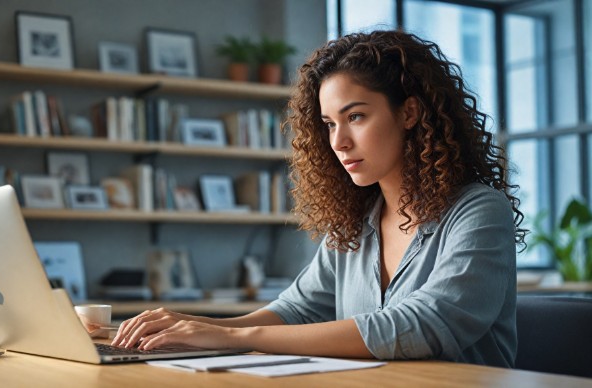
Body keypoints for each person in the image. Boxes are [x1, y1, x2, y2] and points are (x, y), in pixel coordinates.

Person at [110, 30, 526, 367]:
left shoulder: (479, 211)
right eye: (329, 124)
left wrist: (231, 335)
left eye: (356, 117)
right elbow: (297, 310)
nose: (339, 142)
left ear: (410, 113)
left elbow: (424, 326)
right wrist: (187, 325)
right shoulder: (357, 222)